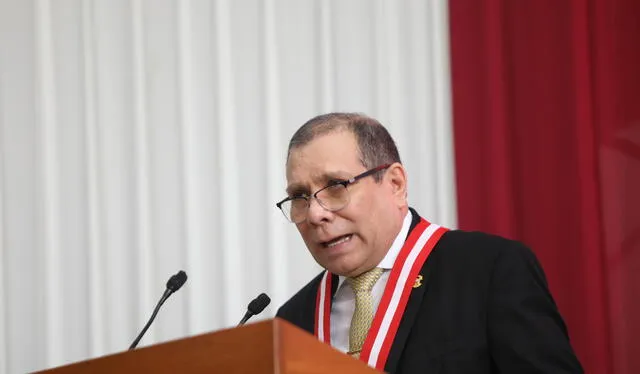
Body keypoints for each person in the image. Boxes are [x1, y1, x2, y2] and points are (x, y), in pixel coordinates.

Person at [275, 113, 583, 373]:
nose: (315, 214)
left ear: (395, 184)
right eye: (300, 196)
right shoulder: (292, 321)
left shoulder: (489, 271)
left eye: (336, 186)